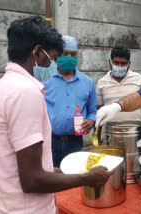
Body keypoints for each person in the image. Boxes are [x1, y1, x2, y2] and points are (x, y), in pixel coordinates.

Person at [0, 16, 112, 214]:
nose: (50, 65)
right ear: (36, 52)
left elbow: (18, 164)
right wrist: (86, 179)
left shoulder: (2, 88)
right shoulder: (26, 92)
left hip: (7, 204)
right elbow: (32, 179)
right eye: (50, 58)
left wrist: (64, 170)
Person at [42, 35, 98, 167]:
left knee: (73, 177)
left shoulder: (87, 83)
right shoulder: (45, 82)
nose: (69, 57)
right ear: (57, 56)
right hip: (51, 142)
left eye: (73, 54)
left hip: (75, 143)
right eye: (65, 53)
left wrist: (91, 120)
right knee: (52, 180)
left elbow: (92, 110)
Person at [96, 45, 141, 147]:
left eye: (123, 63)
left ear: (129, 64)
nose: (119, 67)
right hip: (111, 135)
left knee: (135, 161)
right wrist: (97, 137)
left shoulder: (138, 79)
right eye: (116, 63)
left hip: (135, 134)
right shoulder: (102, 83)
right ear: (109, 62)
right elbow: (99, 112)